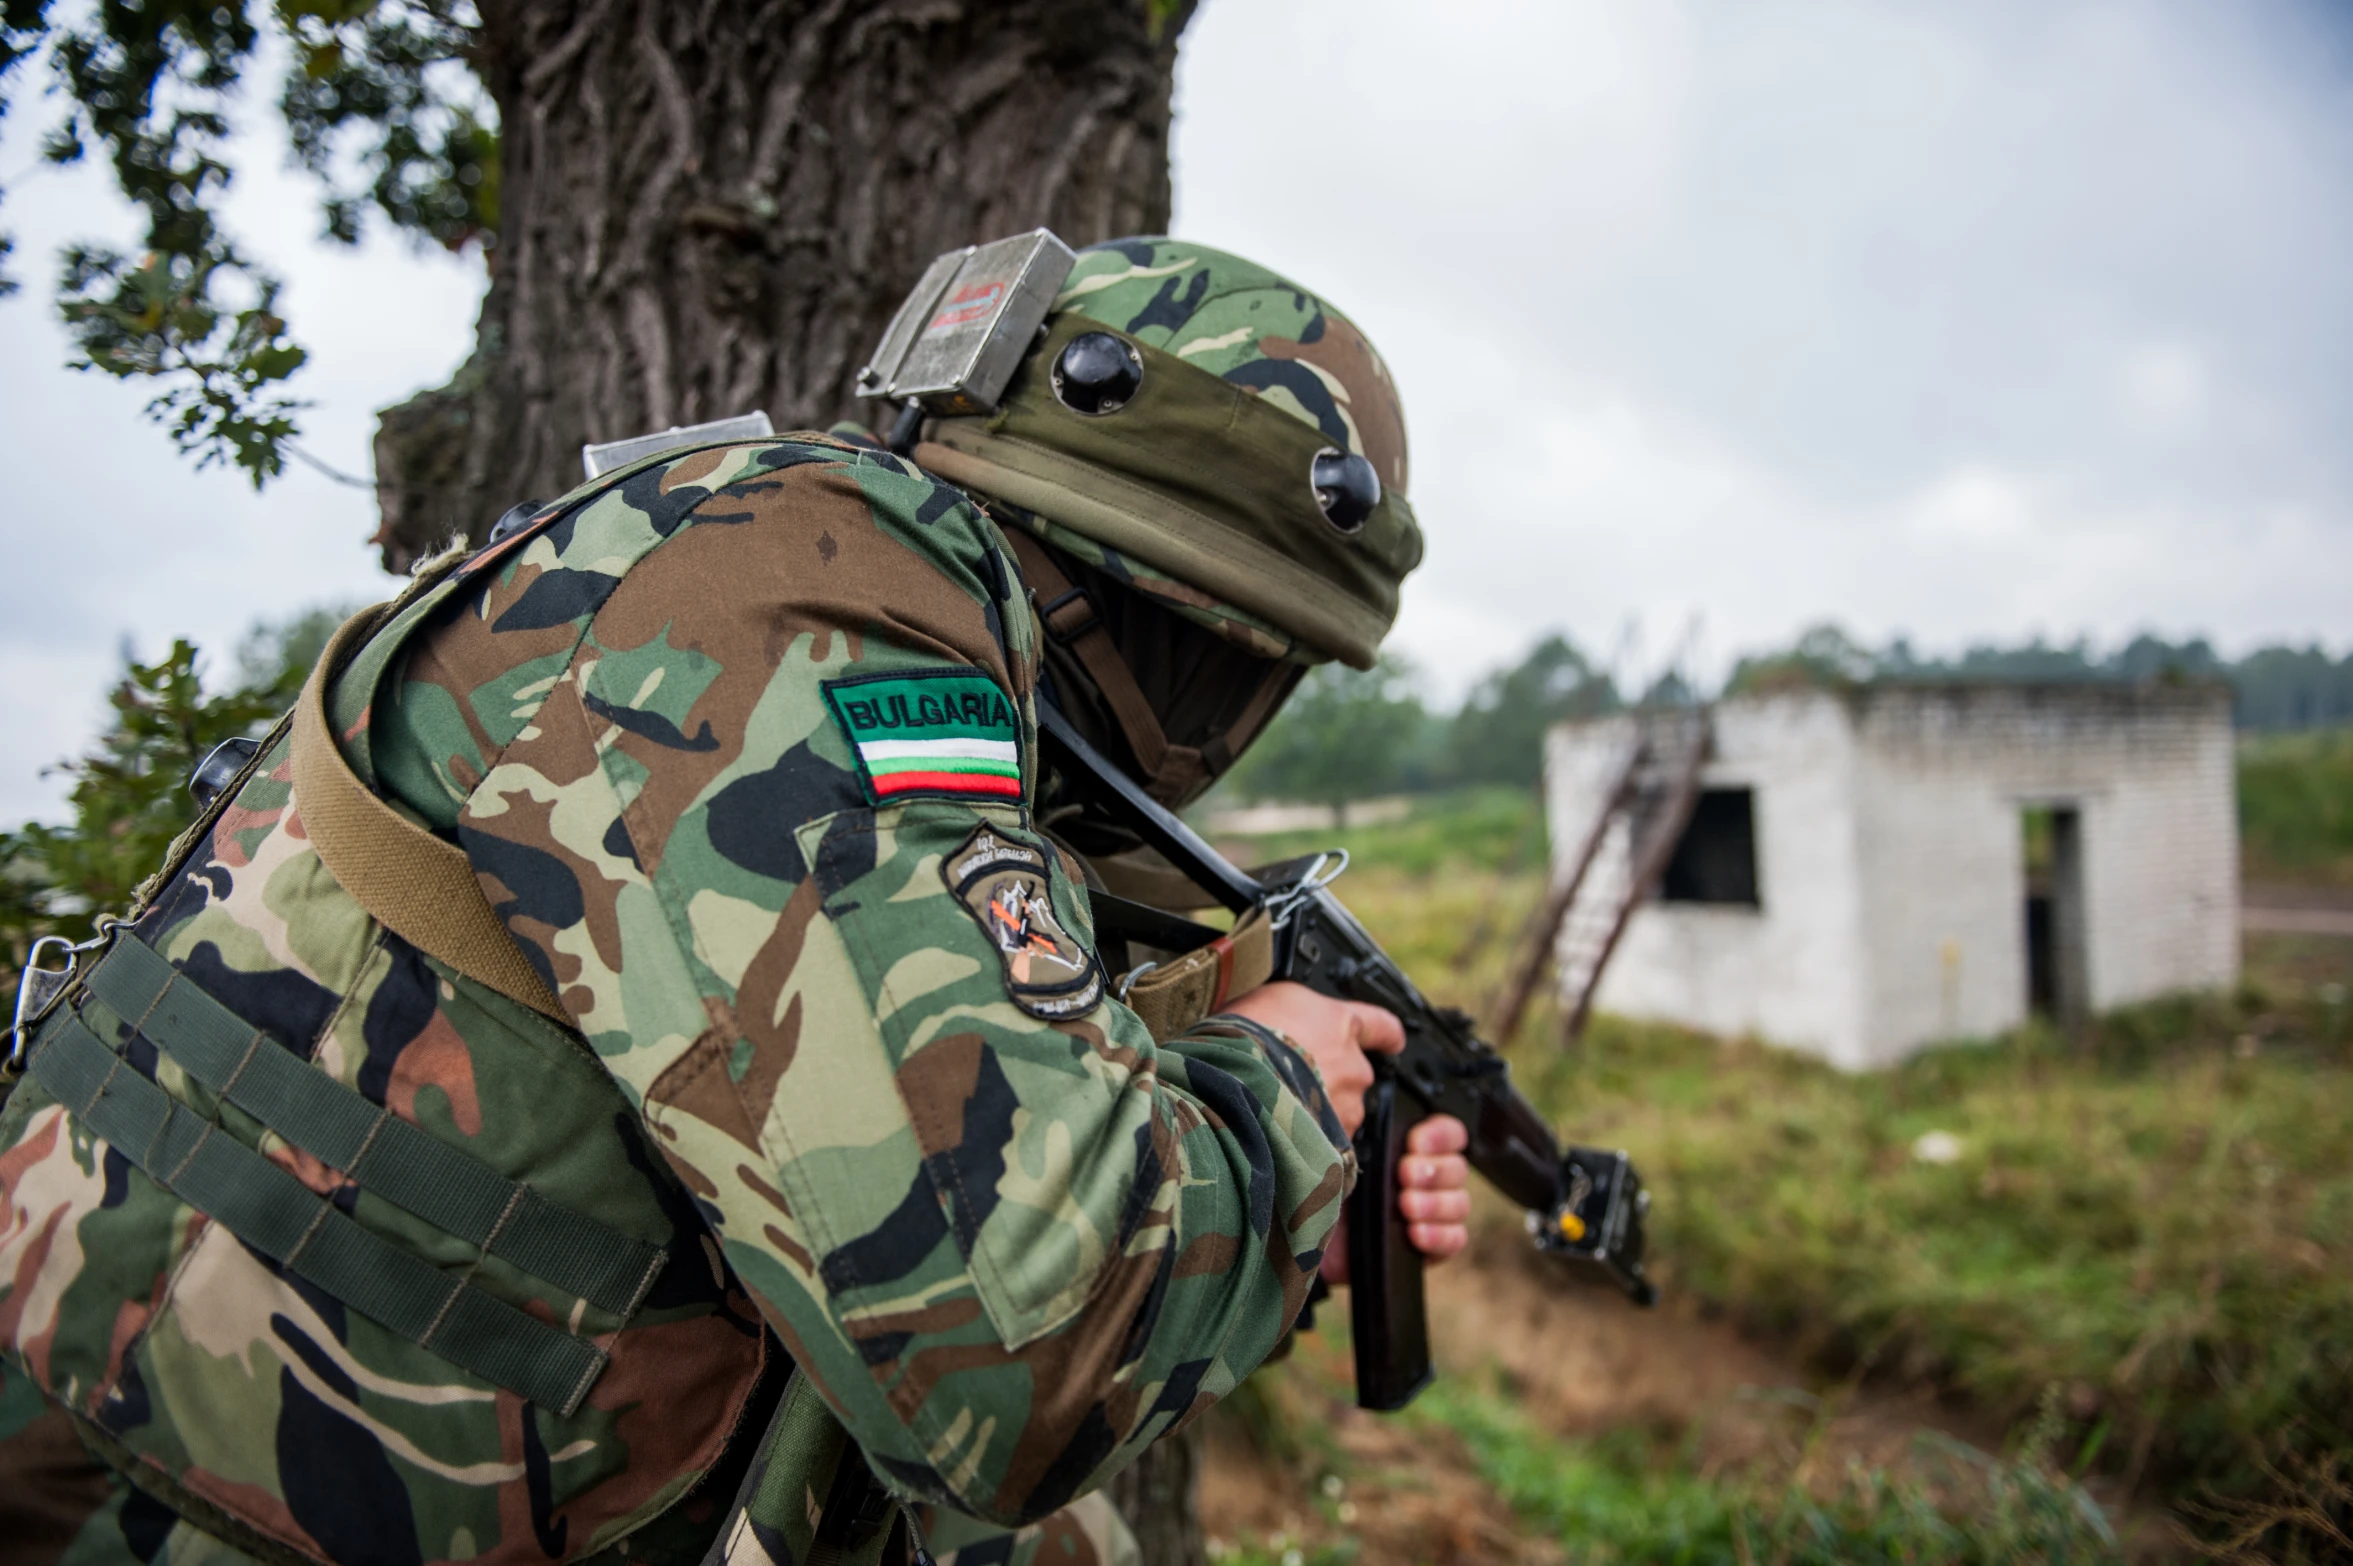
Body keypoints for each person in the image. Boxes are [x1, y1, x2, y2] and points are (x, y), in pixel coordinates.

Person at [0, 237, 1471, 1566]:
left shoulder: (733, 541)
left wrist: (1269, 1204)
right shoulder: (826, 614)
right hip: (185, 1472)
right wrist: (1281, 1103)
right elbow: (1013, 1364)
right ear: (1226, 631)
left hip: (186, 1383)